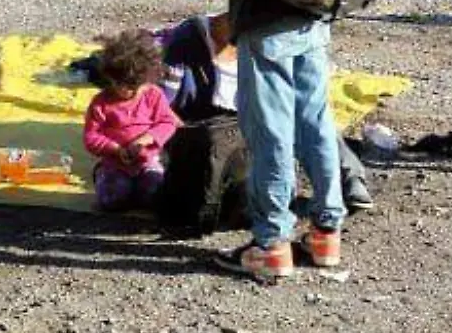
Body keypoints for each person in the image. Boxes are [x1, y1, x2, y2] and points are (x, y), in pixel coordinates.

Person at [201, 0, 347, 282]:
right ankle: (326, 234)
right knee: (316, 122)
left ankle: (271, 244)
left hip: (266, 17)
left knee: (271, 133)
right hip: (314, 6)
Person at [158, 12, 375, 211]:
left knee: (310, 118)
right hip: (208, 129)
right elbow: (160, 105)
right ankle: (277, 211)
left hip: (253, 117)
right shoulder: (186, 43)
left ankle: (350, 180)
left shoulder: (271, 46)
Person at [82, 30, 181, 213]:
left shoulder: (153, 95)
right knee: (113, 201)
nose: (134, 93)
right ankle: (102, 175)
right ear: (111, 80)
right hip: (115, 163)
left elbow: (167, 122)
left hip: (148, 160)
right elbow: (91, 137)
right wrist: (115, 149)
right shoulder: (101, 103)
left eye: (139, 87)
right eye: (127, 87)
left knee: (156, 197)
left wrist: (147, 139)